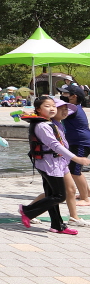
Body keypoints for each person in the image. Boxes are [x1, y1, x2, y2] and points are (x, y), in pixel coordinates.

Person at [19, 96, 90, 235]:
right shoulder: (42, 125)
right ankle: (27, 211)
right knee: (59, 195)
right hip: (49, 164)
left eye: (53, 106)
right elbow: (55, 145)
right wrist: (76, 158)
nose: (52, 109)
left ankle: (57, 225)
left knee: (53, 194)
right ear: (38, 109)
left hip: (57, 162)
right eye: (48, 106)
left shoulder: (52, 123)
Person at [60, 84, 90, 213]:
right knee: (75, 169)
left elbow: (56, 114)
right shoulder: (74, 107)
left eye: (65, 94)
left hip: (81, 142)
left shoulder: (72, 109)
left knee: (75, 170)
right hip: (77, 142)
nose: (62, 96)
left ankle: (86, 198)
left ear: (74, 97)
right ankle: (87, 194)